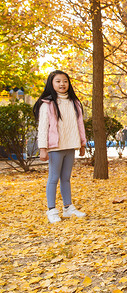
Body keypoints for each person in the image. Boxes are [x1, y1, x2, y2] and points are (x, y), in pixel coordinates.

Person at [33, 70, 87, 223]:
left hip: (70, 145)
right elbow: (43, 127)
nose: (62, 84)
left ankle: (68, 207)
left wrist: (82, 144)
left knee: (66, 178)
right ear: (51, 84)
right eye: (58, 81)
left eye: (65, 81)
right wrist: (43, 148)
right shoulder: (47, 104)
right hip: (55, 147)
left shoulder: (74, 103)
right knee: (53, 178)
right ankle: (51, 210)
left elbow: (79, 125)